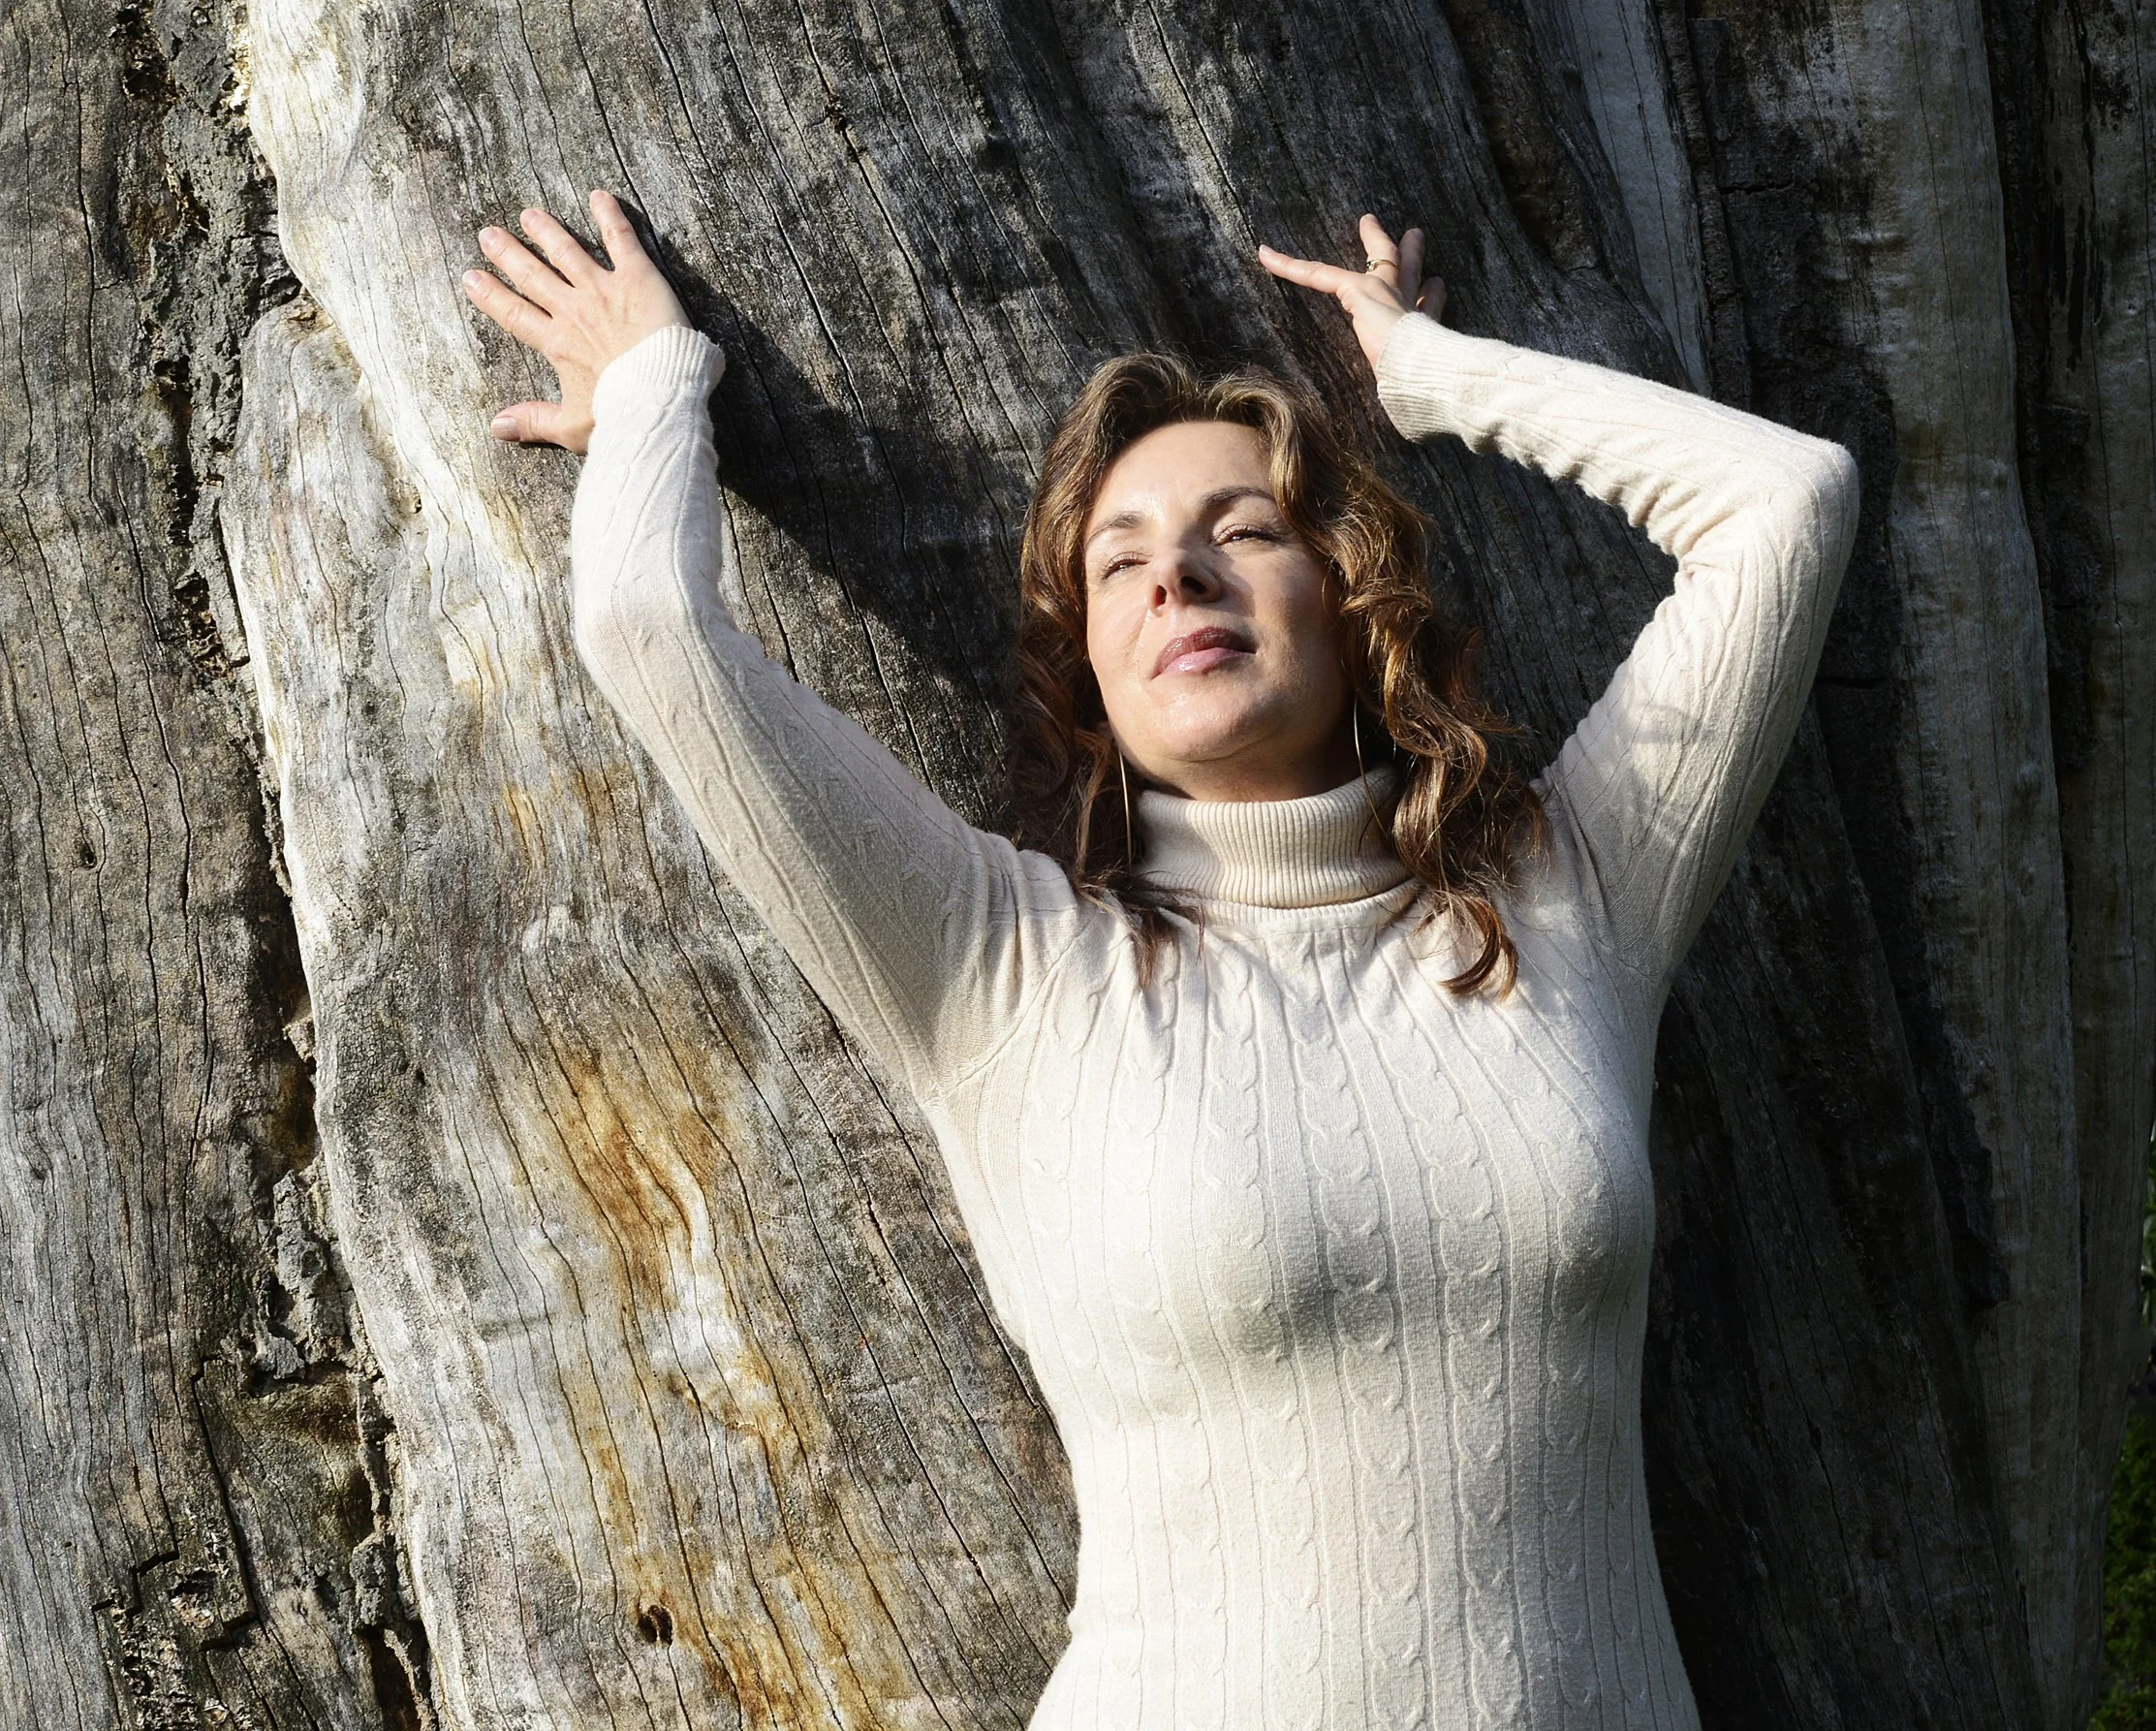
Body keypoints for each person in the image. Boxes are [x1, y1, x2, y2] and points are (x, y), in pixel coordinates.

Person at [462, 190, 1858, 1731]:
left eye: (1240, 531)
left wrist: (1432, 378)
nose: (1176, 578)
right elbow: (652, 621)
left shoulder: (1568, 900)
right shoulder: (1004, 968)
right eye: (1118, 564)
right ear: (1090, 667)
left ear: (1351, 594)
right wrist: (656, 385)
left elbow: (1785, 503)